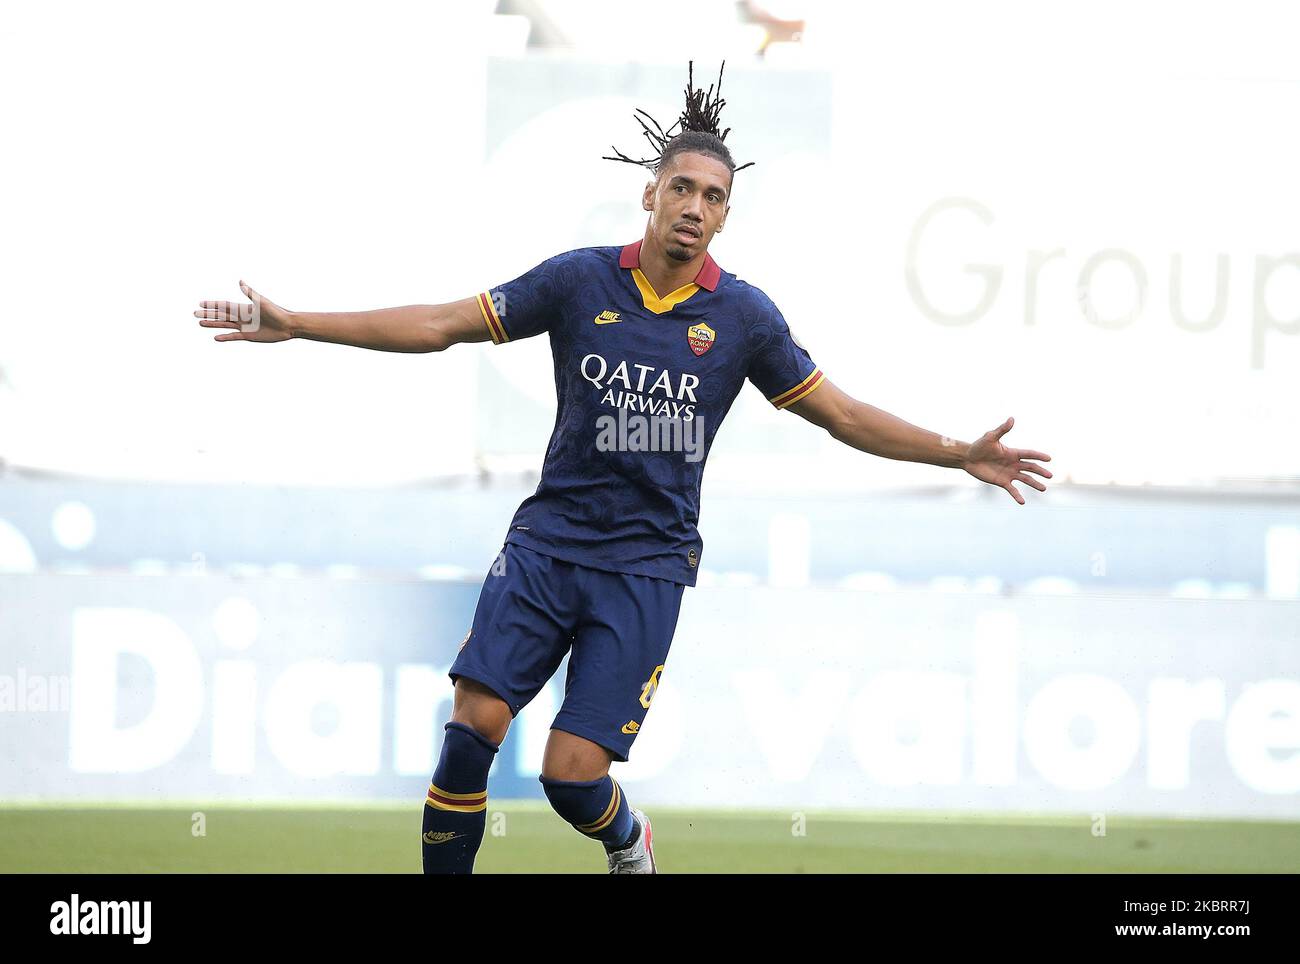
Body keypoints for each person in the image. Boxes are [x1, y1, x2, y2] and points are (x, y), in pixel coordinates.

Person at [194, 63, 1052, 875]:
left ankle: (627, 838)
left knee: (571, 776)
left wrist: (957, 450)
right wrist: (299, 321)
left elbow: (846, 416)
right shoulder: (578, 282)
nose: (695, 206)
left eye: (714, 197)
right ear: (648, 193)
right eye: (681, 187)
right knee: (474, 725)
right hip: (547, 545)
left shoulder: (744, 317)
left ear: (723, 217)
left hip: (644, 567)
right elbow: (441, 324)